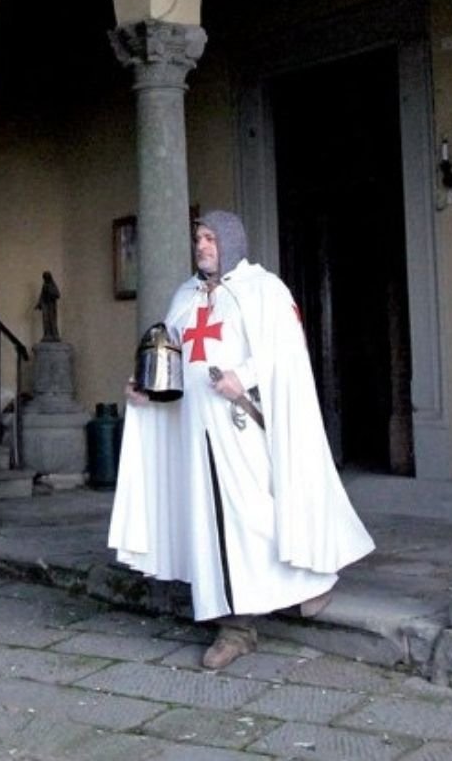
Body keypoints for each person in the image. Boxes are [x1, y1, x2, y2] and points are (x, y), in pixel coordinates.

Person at [107, 210, 374, 670]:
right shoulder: (185, 297)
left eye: (211, 238)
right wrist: (146, 388)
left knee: (256, 515)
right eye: (199, 238)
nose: (203, 246)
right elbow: (171, 359)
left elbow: (286, 354)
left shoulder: (263, 290)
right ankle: (236, 626)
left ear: (230, 242)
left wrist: (243, 379)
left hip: (241, 423)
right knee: (212, 525)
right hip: (195, 429)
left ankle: (305, 586)